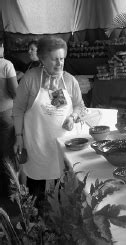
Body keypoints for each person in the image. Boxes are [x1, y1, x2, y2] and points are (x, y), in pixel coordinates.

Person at [12, 36, 85, 203]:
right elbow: (18, 109)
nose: (60, 63)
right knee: (36, 191)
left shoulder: (69, 80)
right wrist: (19, 137)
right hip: (37, 144)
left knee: (63, 191)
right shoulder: (30, 78)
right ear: (43, 59)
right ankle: (35, 225)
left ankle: (59, 226)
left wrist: (73, 117)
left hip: (63, 147)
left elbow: (80, 106)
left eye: (62, 59)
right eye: (54, 59)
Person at [0, 41, 18, 197]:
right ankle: (10, 189)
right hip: (5, 113)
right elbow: (14, 92)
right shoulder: (6, 65)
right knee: (7, 151)